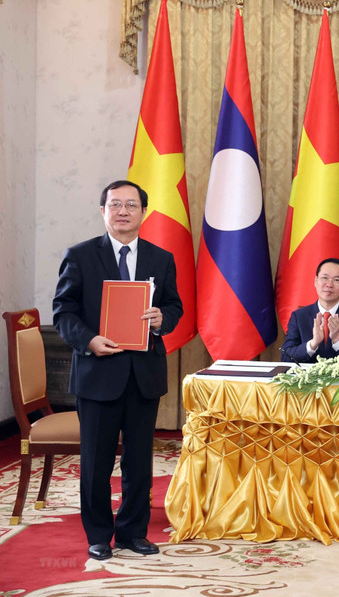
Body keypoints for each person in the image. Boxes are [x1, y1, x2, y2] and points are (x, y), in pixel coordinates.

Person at [52, 180, 182, 561]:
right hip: (98, 373)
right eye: (114, 204)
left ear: (144, 212)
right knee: (96, 460)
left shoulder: (161, 258)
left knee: (140, 461)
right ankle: (98, 534)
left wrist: (162, 319)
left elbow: (174, 307)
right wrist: (89, 340)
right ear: (103, 211)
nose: (122, 211)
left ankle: (131, 533)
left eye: (131, 204)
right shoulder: (80, 256)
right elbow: (64, 311)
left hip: (143, 375)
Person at [280, 258, 339, 363]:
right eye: (325, 278)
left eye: (336, 280)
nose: (329, 284)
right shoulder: (299, 316)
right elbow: (286, 357)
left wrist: (337, 339)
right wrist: (313, 344)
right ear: (315, 281)